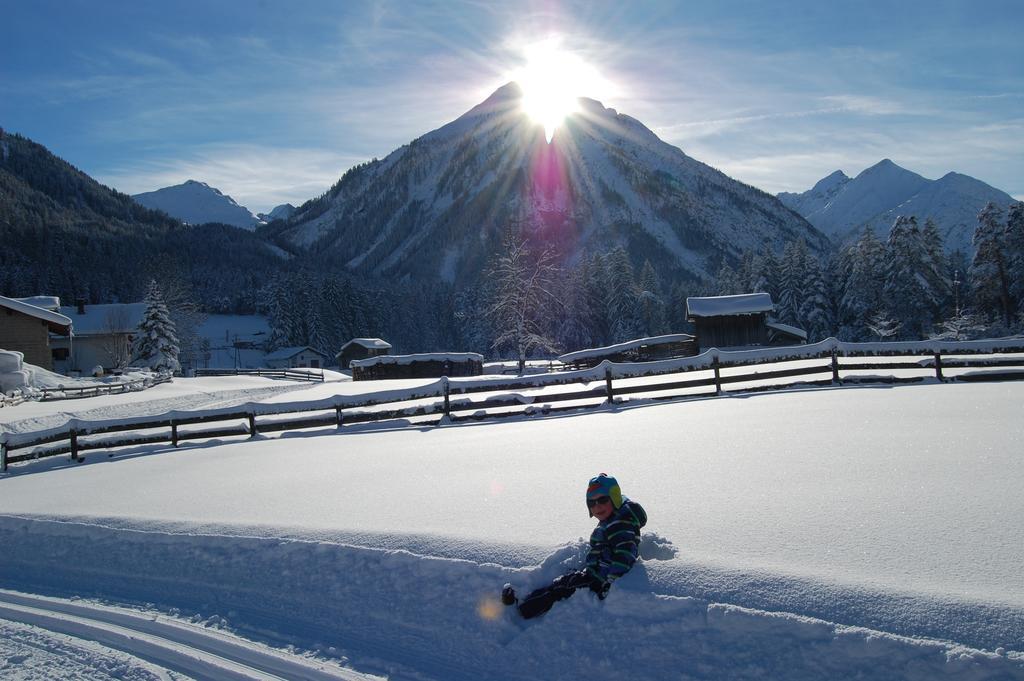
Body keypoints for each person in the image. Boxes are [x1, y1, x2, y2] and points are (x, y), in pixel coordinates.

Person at [501, 473, 647, 619]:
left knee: (561, 588)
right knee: (566, 580)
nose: (597, 506)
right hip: (597, 571)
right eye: (592, 503)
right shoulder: (613, 518)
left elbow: (625, 553)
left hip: (599, 579)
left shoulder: (619, 524)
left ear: (614, 498)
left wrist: (609, 582)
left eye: (602, 500)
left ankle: (524, 608)